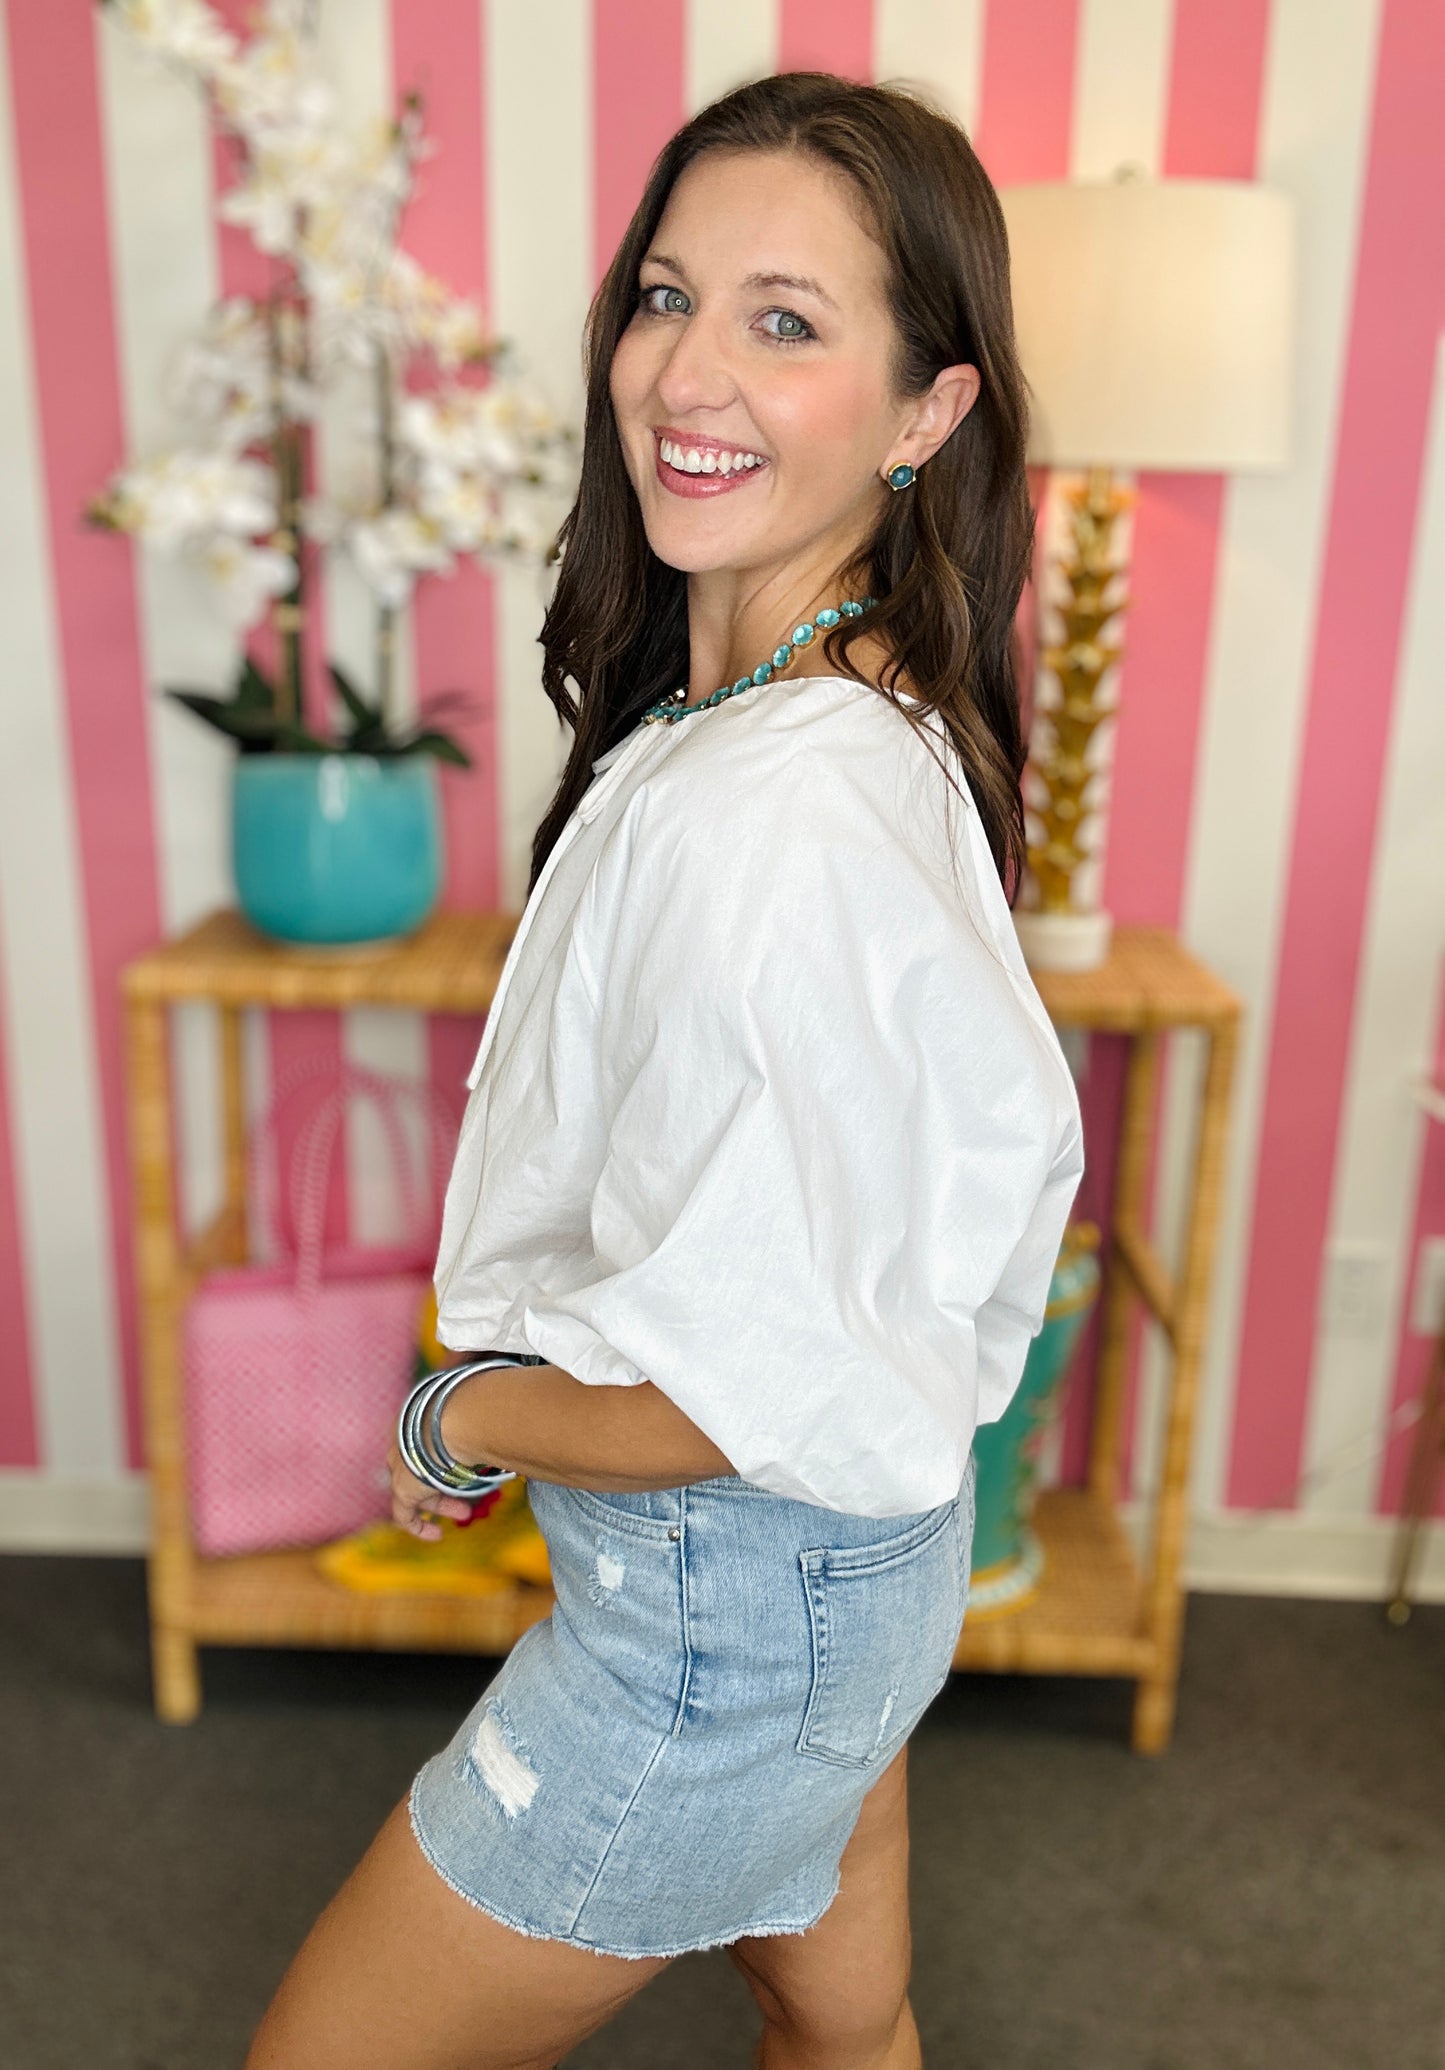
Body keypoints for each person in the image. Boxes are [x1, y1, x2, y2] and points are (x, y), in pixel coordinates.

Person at [246, 69, 1083, 2070]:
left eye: (785, 322)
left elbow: (730, 1394)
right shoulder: (849, 707)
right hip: (855, 1586)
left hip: (722, 1622)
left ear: (924, 413)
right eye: (666, 297)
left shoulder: (773, 817)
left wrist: (460, 1412)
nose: (686, 376)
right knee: (843, 2025)